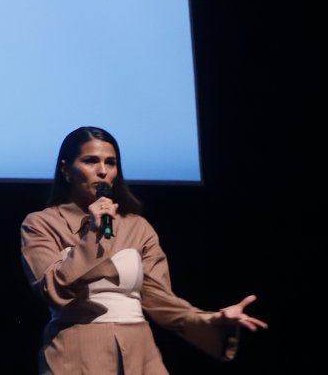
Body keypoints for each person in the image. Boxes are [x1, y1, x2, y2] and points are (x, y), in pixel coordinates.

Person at [20, 127, 267, 374]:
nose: (103, 171)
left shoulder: (137, 227)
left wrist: (212, 320)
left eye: (111, 162)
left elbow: (161, 301)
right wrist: (93, 235)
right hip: (77, 352)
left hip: (140, 353)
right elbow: (51, 287)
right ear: (66, 169)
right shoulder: (41, 224)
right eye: (90, 161)